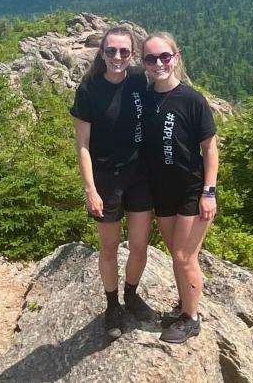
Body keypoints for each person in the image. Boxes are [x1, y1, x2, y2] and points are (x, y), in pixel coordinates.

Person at [70, 26, 157, 340]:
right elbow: (82, 144)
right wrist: (90, 190)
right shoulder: (89, 90)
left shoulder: (137, 79)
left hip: (139, 176)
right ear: (101, 53)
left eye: (124, 52)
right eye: (111, 51)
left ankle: (131, 296)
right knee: (107, 248)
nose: (117, 57)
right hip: (106, 180)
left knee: (138, 245)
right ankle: (112, 306)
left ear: (131, 54)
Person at [141, 32, 218, 344]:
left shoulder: (192, 100)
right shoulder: (145, 97)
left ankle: (191, 318)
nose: (159, 63)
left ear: (176, 56)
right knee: (177, 255)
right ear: (144, 63)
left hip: (191, 190)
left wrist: (209, 192)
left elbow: (210, 148)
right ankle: (185, 306)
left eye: (164, 57)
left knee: (185, 257)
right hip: (163, 191)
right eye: (150, 58)